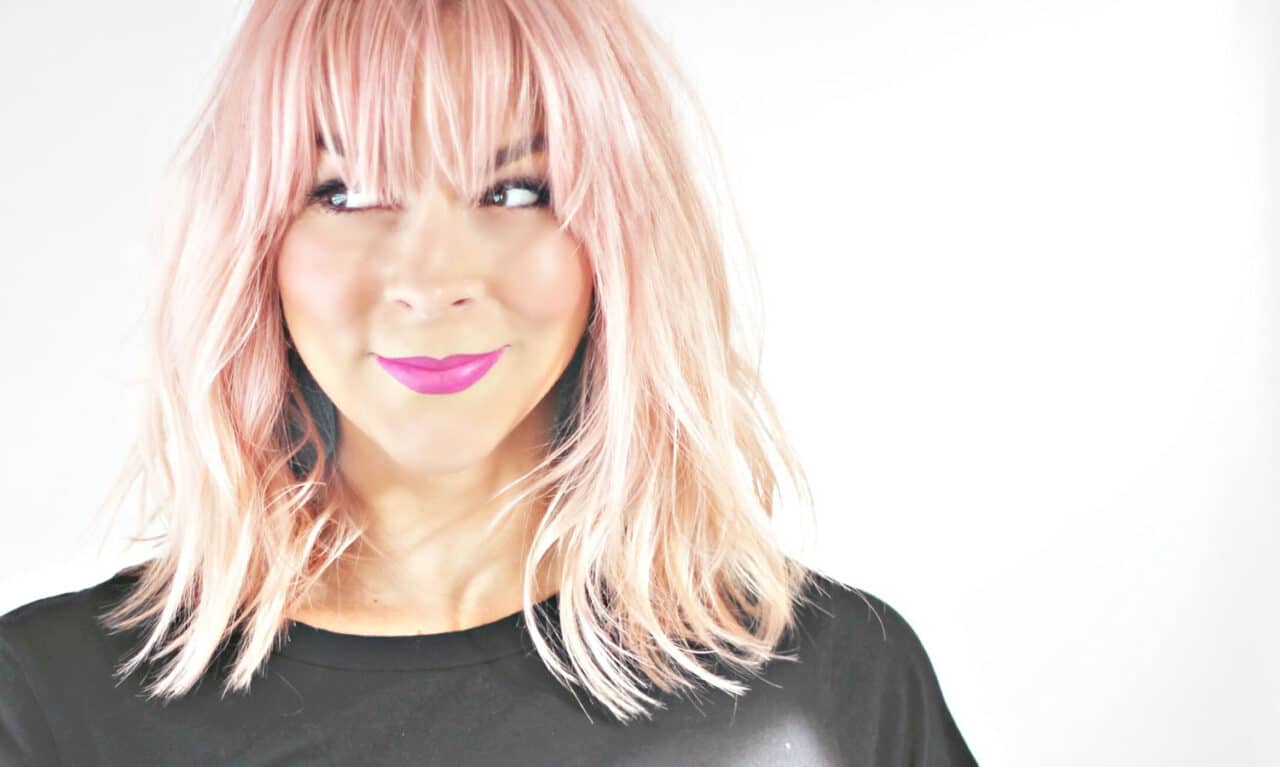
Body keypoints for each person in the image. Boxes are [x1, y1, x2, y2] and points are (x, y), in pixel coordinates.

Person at [0, 1, 979, 764]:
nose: (432, 278)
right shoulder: (46, 706)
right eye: (345, 191)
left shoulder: (824, 691)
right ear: (257, 241)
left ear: (617, 240)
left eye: (514, 191)